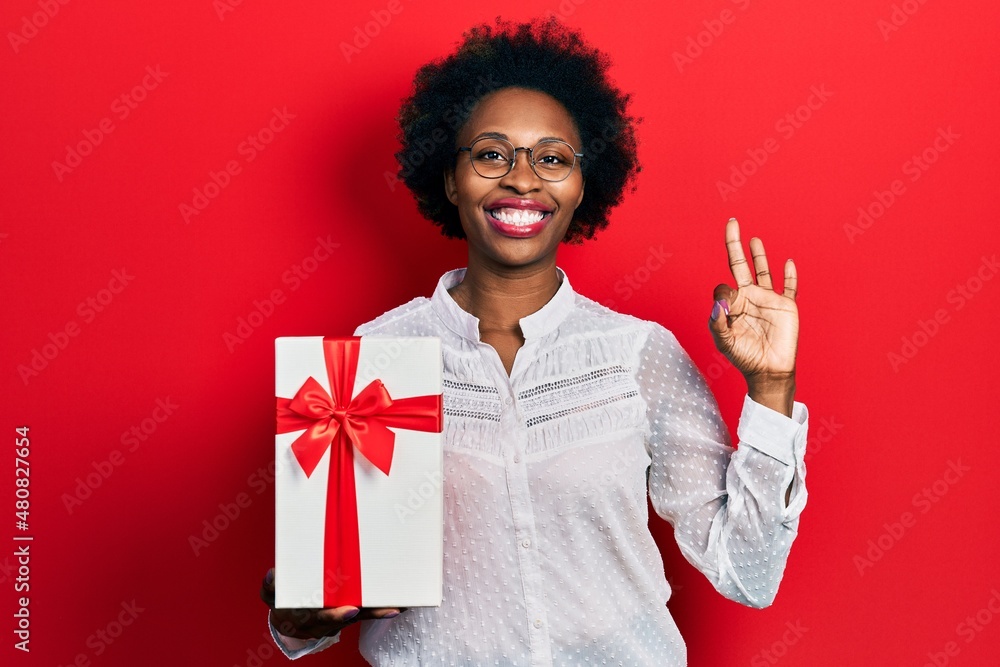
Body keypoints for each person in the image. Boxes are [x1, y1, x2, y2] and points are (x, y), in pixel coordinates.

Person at [260, 16, 808, 666]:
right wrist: (295, 610)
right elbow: (324, 604)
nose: (523, 178)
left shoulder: (637, 354)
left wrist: (771, 388)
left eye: (551, 158)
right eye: (492, 153)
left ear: (582, 186)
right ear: (450, 177)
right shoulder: (376, 355)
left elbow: (748, 572)